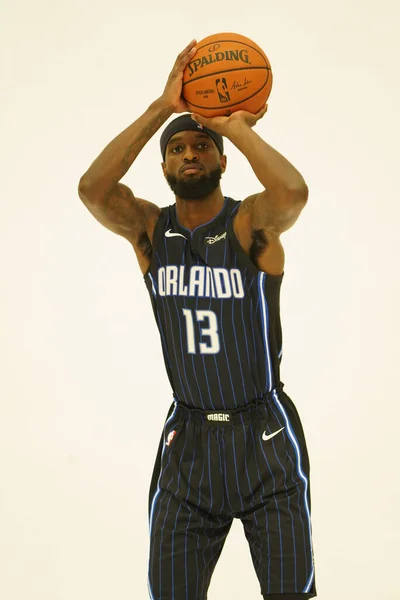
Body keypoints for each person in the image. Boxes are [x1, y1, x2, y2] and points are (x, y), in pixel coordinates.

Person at [78, 39, 316, 600]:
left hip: (264, 437)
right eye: (177, 148)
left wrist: (234, 124)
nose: (190, 154)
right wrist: (164, 107)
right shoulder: (148, 231)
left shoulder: (250, 223)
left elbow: (293, 191)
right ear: (162, 165)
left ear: (221, 161)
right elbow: (93, 189)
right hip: (187, 444)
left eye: (202, 146)